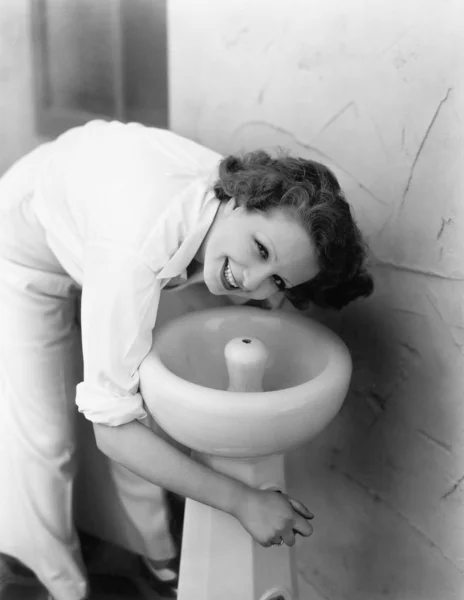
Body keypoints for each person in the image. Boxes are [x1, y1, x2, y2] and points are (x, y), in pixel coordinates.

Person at [0, 120, 373, 600]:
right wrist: (242, 501)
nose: (253, 282)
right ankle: (46, 583)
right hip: (18, 246)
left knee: (138, 393)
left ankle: (150, 555)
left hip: (84, 196)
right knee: (46, 442)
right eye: (261, 250)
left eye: (277, 281)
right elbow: (111, 432)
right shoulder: (135, 249)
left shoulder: (230, 210)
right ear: (243, 198)